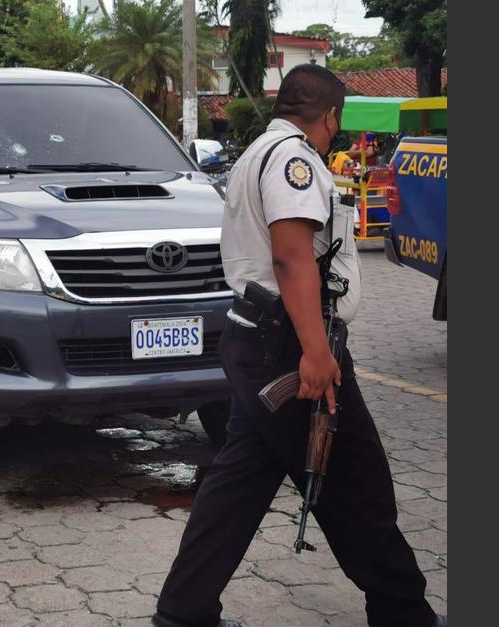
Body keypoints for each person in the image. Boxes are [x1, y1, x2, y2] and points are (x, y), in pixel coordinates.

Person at [152, 65, 445, 627]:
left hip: (257, 338)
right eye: (337, 123)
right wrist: (316, 352)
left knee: (237, 488)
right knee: (358, 484)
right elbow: (291, 256)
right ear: (330, 116)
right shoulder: (294, 162)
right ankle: (404, 612)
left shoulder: (258, 151)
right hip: (291, 344)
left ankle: (182, 612)